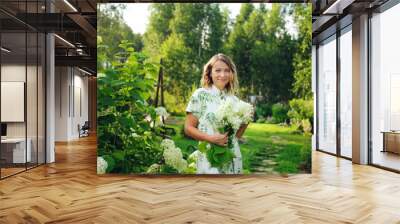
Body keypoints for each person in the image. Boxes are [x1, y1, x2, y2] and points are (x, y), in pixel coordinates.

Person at [184, 53, 249, 174]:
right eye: (218, 70)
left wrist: (247, 118)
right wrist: (211, 138)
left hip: (231, 157)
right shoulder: (200, 95)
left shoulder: (235, 100)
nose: (222, 75)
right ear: (210, 72)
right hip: (209, 158)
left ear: (231, 74)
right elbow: (188, 128)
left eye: (227, 71)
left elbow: (236, 137)